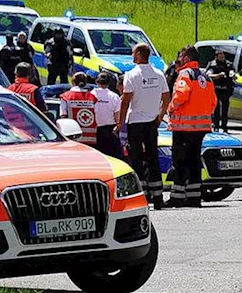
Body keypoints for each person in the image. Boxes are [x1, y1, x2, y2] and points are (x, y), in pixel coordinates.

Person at [120, 42, 171, 208]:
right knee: (153, 159)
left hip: (135, 122)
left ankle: (140, 197)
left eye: (134, 53)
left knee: (136, 160)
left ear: (140, 54)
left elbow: (125, 102)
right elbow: (166, 99)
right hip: (151, 123)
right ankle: (157, 198)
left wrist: (120, 123)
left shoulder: (131, 75)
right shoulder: (158, 74)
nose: (132, 56)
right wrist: (160, 116)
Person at [167, 47, 216, 207]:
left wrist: (170, 108)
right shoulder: (206, 77)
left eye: (180, 56)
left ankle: (178, 197)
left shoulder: (185, 74)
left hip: (183, 127)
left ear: (187, 58)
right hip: (201, 127)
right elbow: (213, 102)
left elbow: (181, 95)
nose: (178, 59)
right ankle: (194, 197)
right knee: (195, 161)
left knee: (180, 161)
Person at [59, 72, 99, 147]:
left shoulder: (66, 96)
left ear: (72, 82)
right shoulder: (92, 97)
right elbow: (97, 116)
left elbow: (63, 117)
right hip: (90, 138)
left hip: (73, 136)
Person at [92, 72, 123, 159]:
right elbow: (117, 116)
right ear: (109, 83)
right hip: (110, 131)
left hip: (94, 131)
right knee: (112, 158)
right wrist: (117, 128)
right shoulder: (114, 96)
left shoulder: (90, 95)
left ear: (96, 82)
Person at [207, 50, 235, 132]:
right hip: (216, 89)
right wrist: (218, 76)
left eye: (223, 56)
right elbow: (208, 74)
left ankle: (224, 126)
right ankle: (216, 126)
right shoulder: (212, 64)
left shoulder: (228, 64)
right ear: (216, 57)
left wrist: (232, 75)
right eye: (220, 56)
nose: (222, 58)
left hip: (226, 89)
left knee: (225, 109)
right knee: (216, 109)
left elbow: (232, 72)